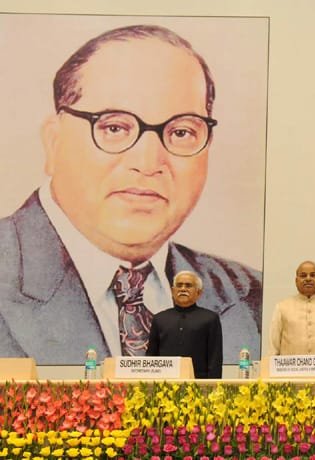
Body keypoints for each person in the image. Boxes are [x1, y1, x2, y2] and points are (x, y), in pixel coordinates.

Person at [0, 25, 262, 365]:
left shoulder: (253, 297)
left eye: (181, 132)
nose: (148, 163)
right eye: (115, 127)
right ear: (54, 142)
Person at [146, 271, 222, 378]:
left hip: (198, 382)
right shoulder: (159, 318)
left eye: (188, 285)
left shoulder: (210, 318)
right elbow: (151, 356)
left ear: (199, 292)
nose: (183, 289)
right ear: (173, 291)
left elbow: (215, 357)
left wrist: (213, 385)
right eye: (179, 285)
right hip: (164, 382)